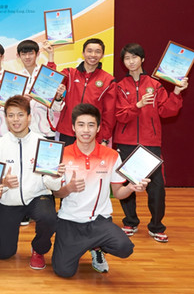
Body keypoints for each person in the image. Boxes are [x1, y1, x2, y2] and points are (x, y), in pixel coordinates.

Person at [52, 103, 150, 278]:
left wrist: (131, 188)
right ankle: (86, 246)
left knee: (125, 247)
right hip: (70, 221)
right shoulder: (61, 154)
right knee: (63, 271)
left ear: (98, 128)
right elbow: (56, 193)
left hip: (99, 220)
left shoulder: (111, 155)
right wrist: (69, 188)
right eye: (81, 125)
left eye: (91, 125)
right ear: (73, 127)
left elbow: (119, 193)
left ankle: (97, 248)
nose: (86, 130)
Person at [114, 43, 188, 243]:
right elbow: (119, 115)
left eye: (134, 57)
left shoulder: (155, 84)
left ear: (142, 59)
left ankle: (156, 226)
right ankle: (130, 221)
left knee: (156, 187)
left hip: (150, 142)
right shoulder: (119, 86)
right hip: (125, 142)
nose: (131, 61)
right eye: (127, 58)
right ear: (123, 62)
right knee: (127, 183)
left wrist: (177, 93)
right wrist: (137, 105)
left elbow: (167, 111)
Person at [0, 95, 63, 269]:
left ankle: (39, 249)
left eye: (20, 115)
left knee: (48, 217)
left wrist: (55, 176)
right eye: (11, 115)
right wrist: (4, 183)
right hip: (9, 201)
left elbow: (53, 187)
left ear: (29, 117)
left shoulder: (43, 143)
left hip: (37, 197)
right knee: (4, 253)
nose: (16, 119)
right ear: (6, 118)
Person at [50, 38, 116, 146]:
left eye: (97, 52)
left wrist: (104, 139)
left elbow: (109, 114)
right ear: (83, 53)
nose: (93, 55)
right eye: (89, 51)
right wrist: (50, 56)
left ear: (102, 55)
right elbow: (50, 80)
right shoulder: (69, 73)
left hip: (90, 134)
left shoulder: (109, 81)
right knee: (64, 163)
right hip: (67, 132)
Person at [16, 40, 62, 139]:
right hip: (23, 133)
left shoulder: (46, 74)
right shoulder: (16, 78)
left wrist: (57, 98)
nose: (27, 57)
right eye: (23, 54)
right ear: (18, 56)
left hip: (46, 132)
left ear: (37, 54)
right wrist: (21, 100)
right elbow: (10, 107)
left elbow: (57, 108)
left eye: (30, 53)